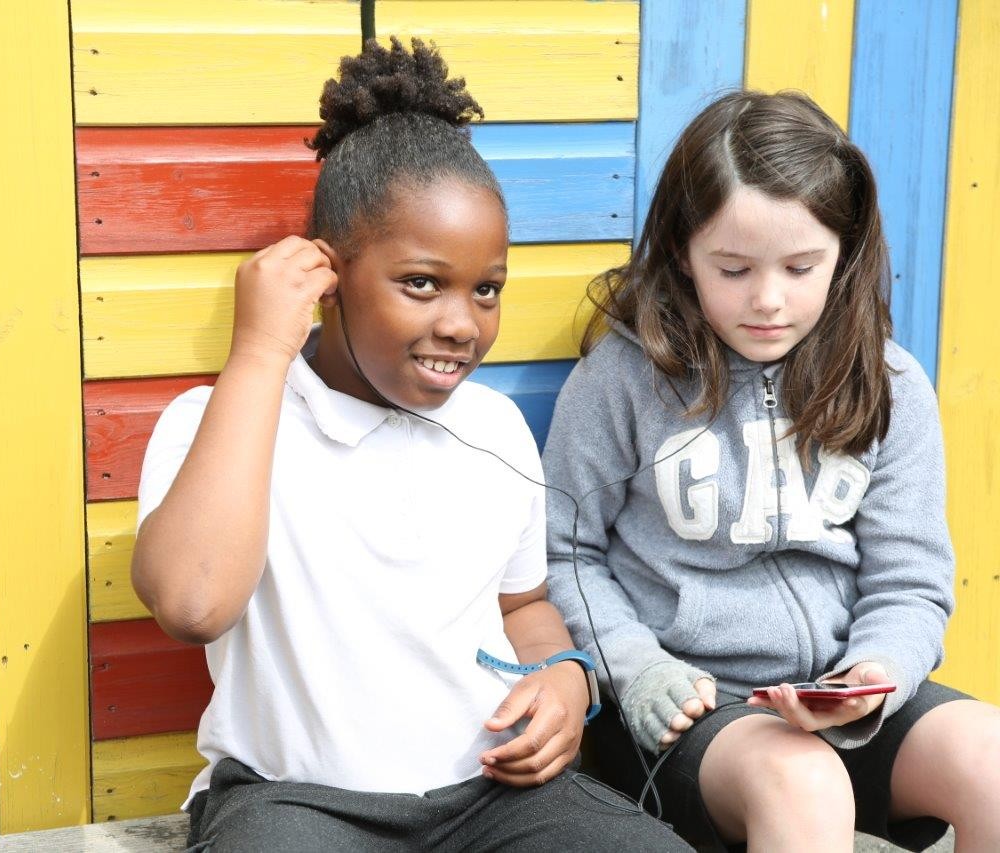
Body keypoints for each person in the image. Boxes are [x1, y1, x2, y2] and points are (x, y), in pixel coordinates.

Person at [131, 37, 690, 853]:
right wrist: (258, 352)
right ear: (328, 274)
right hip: (298, 807)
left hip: (488, 797)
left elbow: (522, 605)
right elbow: (191, 603)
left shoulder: (491, 429)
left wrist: (564, 676)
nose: (461, 323)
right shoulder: (223, 419)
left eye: (486, 288)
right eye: (421, 283)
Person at [543, 89, 1000, 852]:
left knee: (991, 757)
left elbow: (911, 581)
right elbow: (565, 552)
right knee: (802, 782)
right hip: (690, 711)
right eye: (733, 268)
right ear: (683, 252)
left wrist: (871, 676)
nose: (767, 299)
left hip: (840, 695)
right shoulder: (624, 379)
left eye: (799, 267)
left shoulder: (889, 385)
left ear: (844, 254)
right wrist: (635, 666)